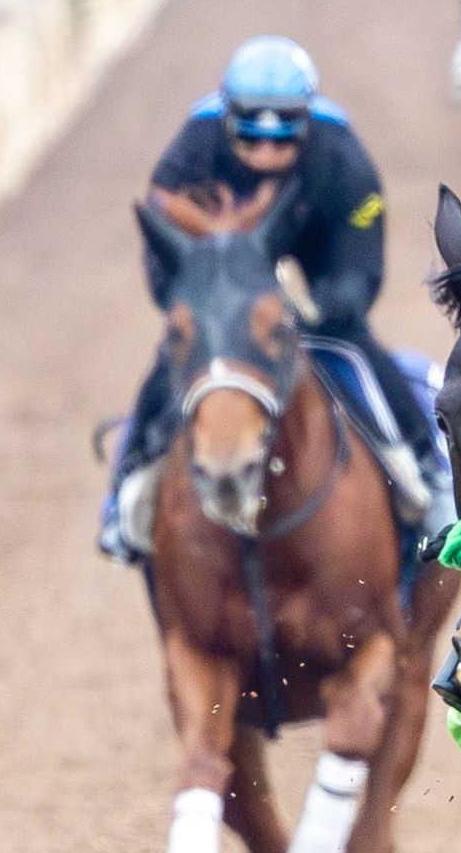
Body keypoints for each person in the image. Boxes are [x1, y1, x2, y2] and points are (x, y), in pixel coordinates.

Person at [98, 35, 436, 562]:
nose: (267, 155)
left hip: (320, 255)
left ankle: (421, 470)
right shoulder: (194, 143)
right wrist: (202, 307)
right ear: (227, 121)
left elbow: (360, 267)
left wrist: (321, 308)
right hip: (223, 263)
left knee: (355, 347)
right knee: (177, 355)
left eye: (283, 143)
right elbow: (164, 259)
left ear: (307, 121)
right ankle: (128, 489)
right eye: (251, 140)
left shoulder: (344, 159)